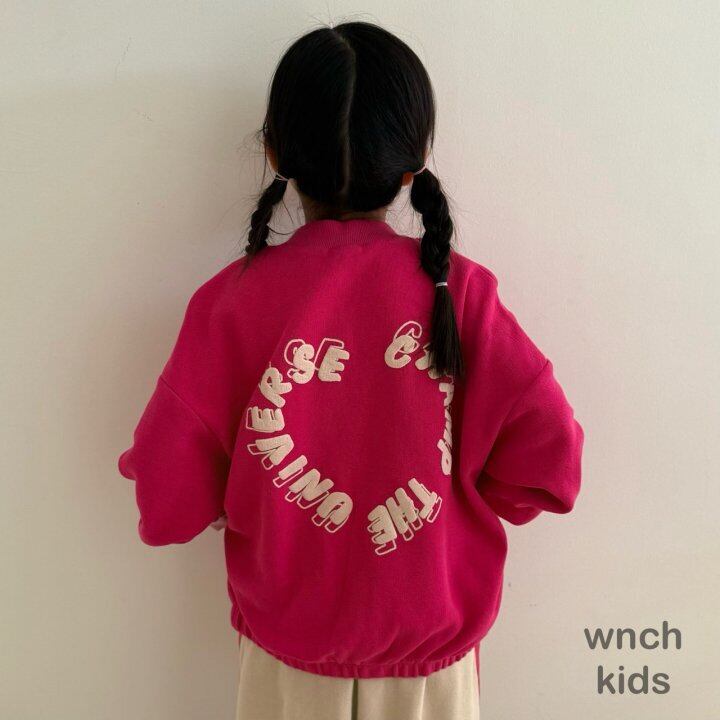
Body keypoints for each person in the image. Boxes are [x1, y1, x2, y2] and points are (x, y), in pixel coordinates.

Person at [118, 21, 584, 720]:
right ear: (415, 161)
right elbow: (550, 464)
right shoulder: (461, 295)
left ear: (275, 153)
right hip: (433, 676)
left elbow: (167, 498)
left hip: (286, 670)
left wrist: (230, 500)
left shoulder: (229, 304)